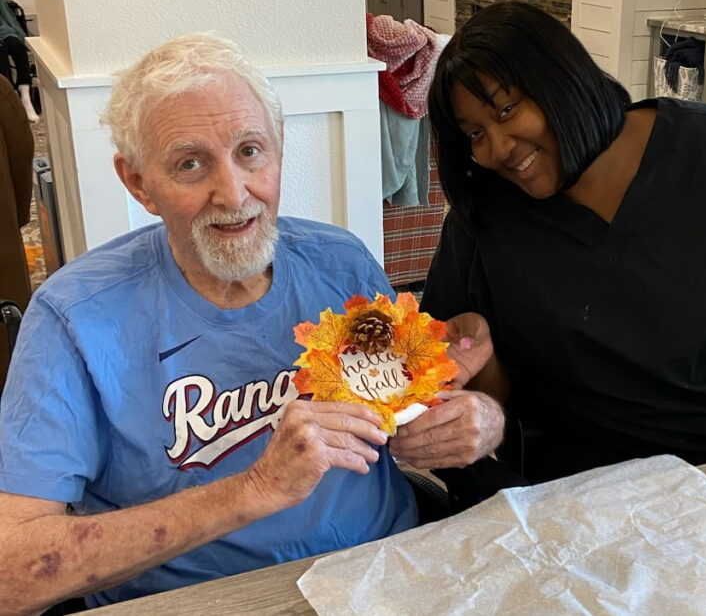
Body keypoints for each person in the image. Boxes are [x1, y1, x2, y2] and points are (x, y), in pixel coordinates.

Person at [0, 34, 417, 612]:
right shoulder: (73, 316)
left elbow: (403, 411)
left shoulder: (343, 260)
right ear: (138, 183)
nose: (233, 192)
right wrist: (258, 488)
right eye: (190, 164)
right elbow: (11, 572)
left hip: (384, 571)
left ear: (278, 150)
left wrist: (463, 422)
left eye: (250, 151)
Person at [389, 2, 706, 484]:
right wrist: (483, 358)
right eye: (475, 133)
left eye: (507, 109)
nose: (497, 148)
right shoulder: (487, 212)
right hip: (601, 488)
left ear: (561, 78)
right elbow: (491, 394)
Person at [0, 0, 38, 123]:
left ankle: (25, 97)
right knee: (1, 53)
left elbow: (9, 18)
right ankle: (10, 100)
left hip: (5, 31)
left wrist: (22, 37)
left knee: (18, 48)